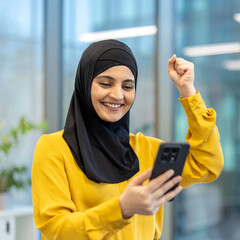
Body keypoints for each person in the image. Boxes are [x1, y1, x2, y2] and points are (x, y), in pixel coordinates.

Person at [32, 39, 223, 240]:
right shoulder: (54, 148)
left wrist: (188, 92)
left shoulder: (145, 149)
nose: (117, 95)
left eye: (128, 86)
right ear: (85, 83)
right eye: (105, 83)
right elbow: (57, 229)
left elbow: (207, 165)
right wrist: (121, 209)